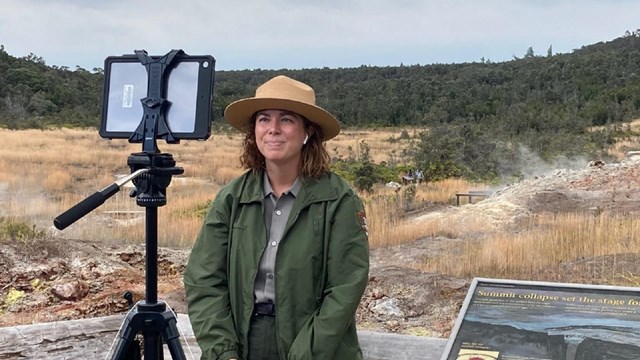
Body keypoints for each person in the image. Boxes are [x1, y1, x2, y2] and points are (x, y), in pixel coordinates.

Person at [183, 75, 370, 360]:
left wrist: (305, 353)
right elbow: (203, 279)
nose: (273, 129)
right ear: (253, 131)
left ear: (308, 131)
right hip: (243, 340)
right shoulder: (232, 198)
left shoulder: (338, 200)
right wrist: (223, 351)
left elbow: (345, 288)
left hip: (315, 345)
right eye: (264, 119)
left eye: (286, 120)